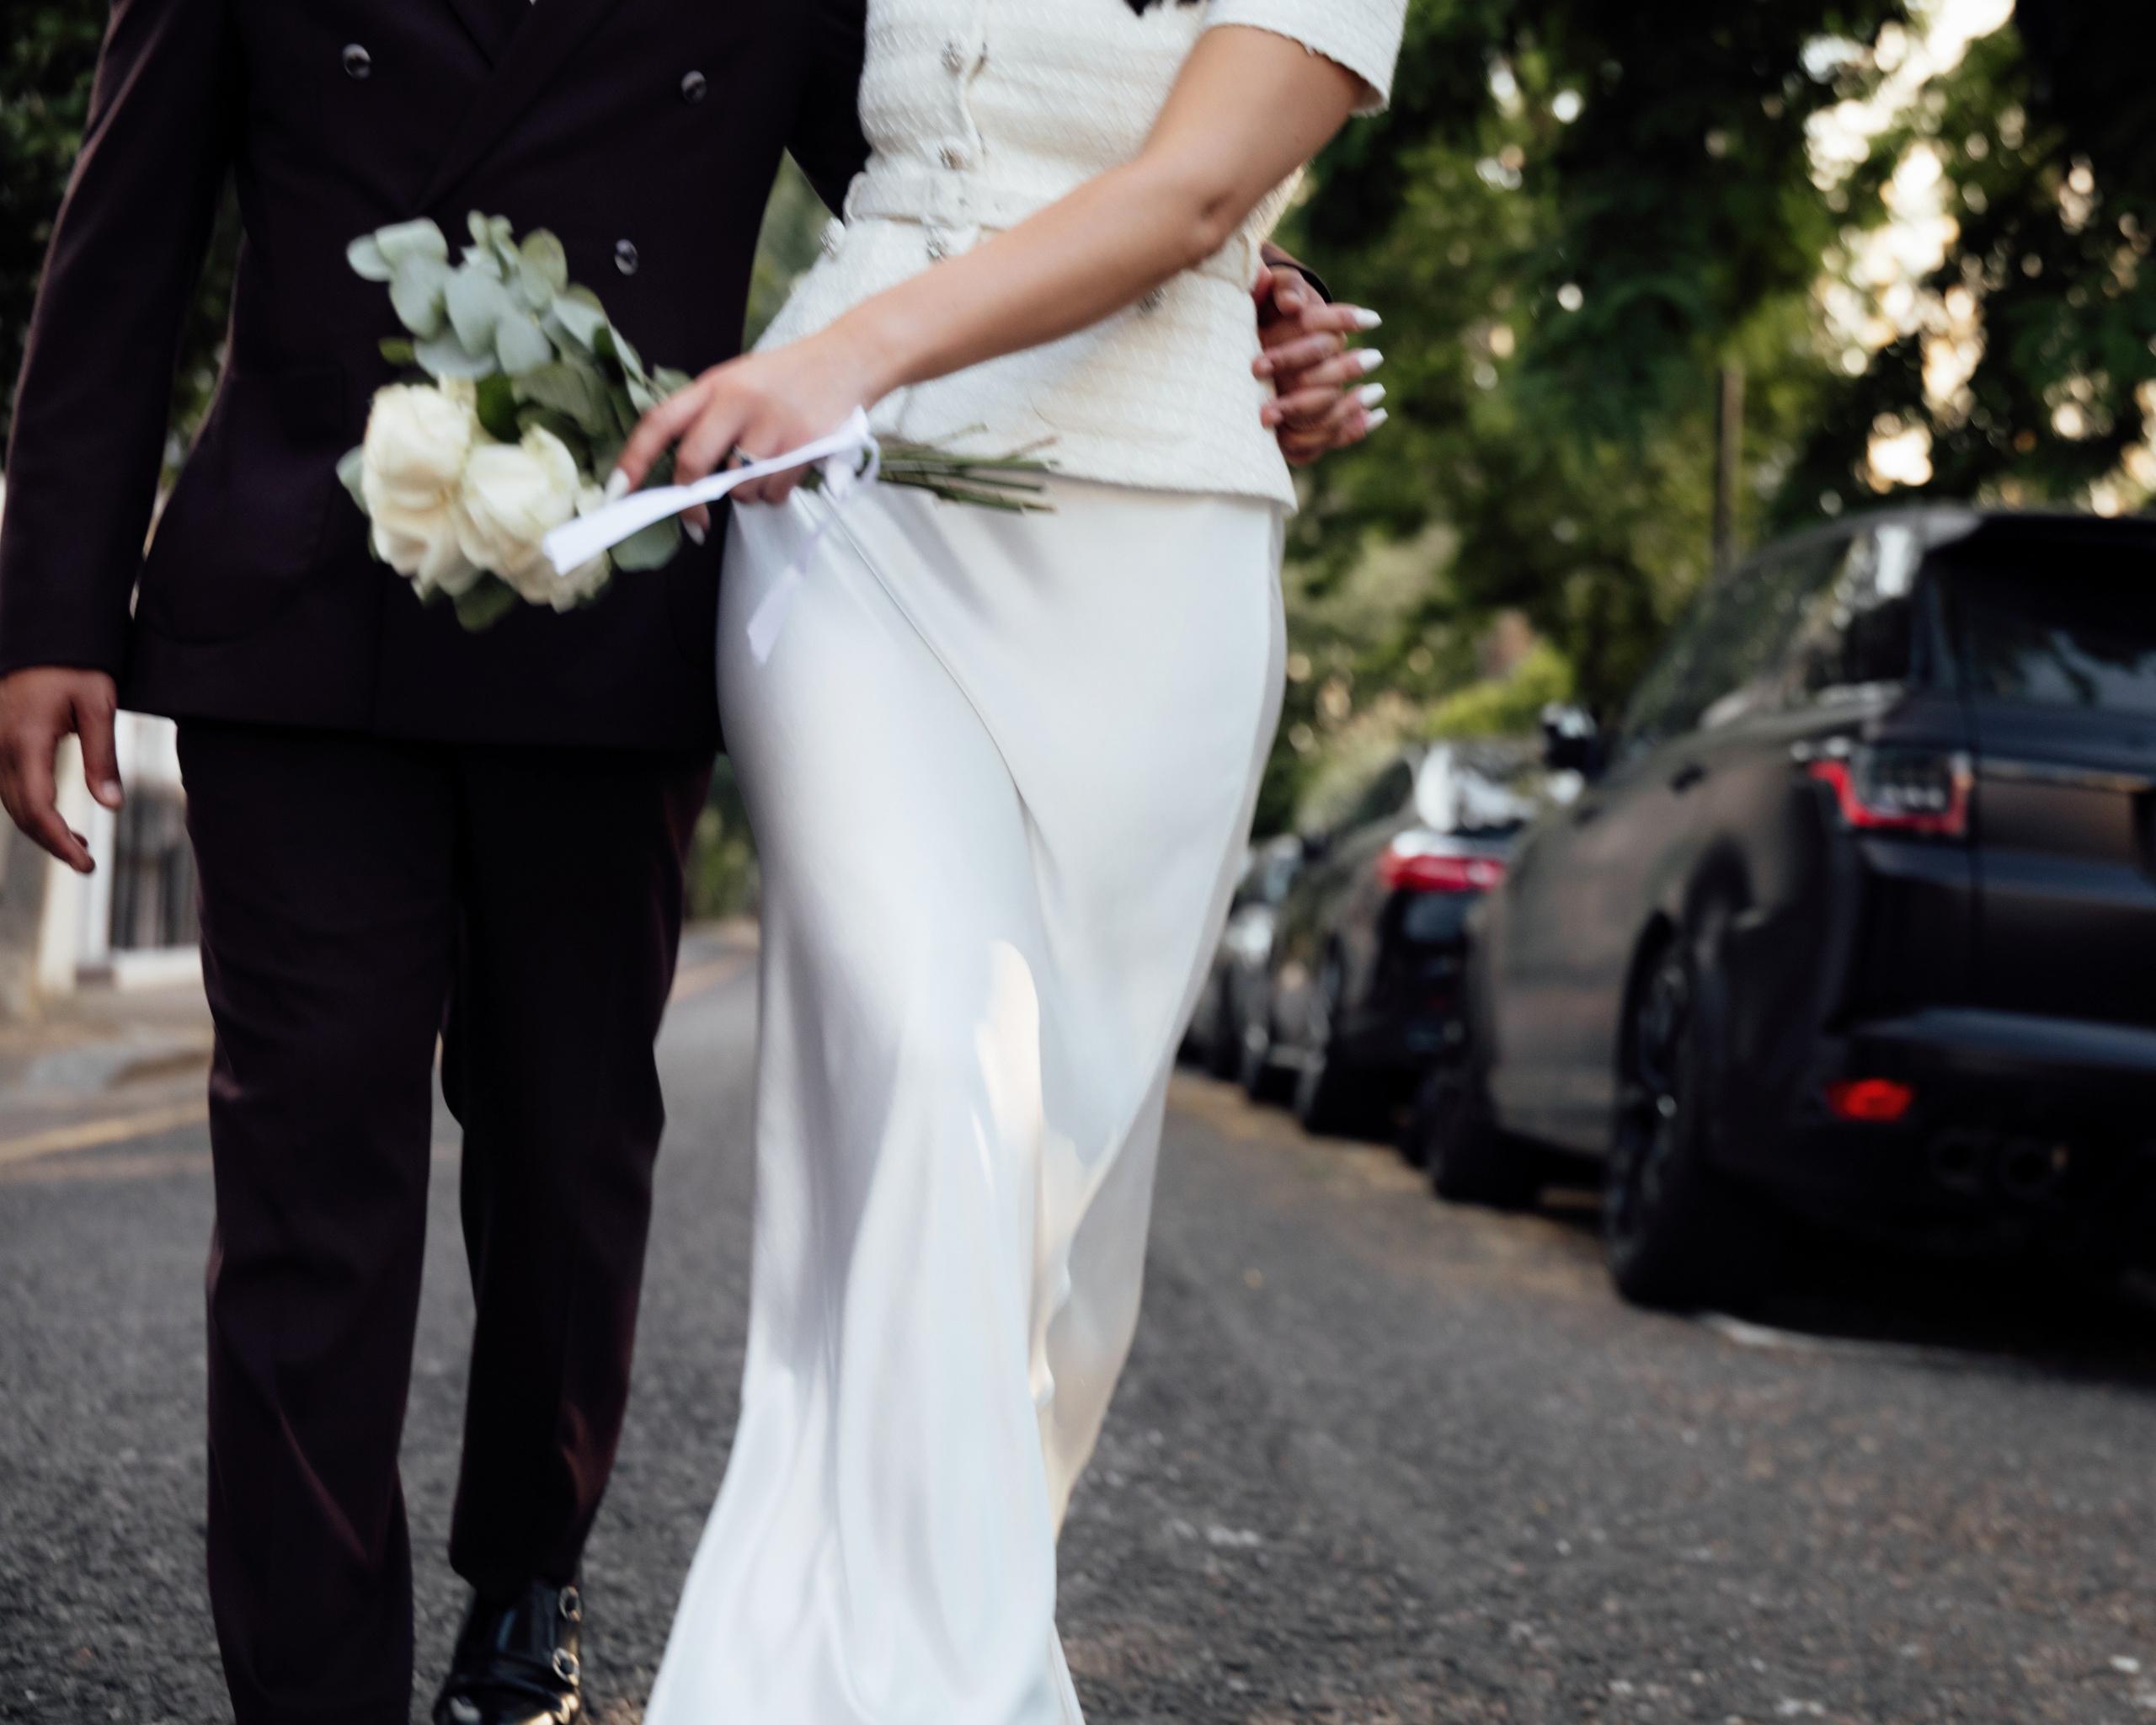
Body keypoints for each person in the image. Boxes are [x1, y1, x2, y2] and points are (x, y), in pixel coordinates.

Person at [0, 3, 1374, 1722]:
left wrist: (1249, 288)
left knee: (566, 1147)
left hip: (606, 607)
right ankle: (308, 1687)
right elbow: (121, 236)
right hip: (296, 603)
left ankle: (526, 1578)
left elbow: (941, 171)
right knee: (305, 1171)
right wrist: (52, 611)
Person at [610, 2, 1408, 1719]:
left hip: (1153, 559)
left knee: (1036, 1238)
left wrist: (1255, 271)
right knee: (936, 1079)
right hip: (856, 516)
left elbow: (1193, 186)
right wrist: (832, 366)